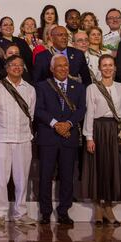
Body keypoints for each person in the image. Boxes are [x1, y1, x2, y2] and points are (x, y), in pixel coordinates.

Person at [35, 54, 86, 225]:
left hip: (69, 137)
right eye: (59, 66)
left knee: (67, 176)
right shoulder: (42, 86)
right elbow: (38, 110)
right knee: (45, 176)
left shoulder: (78, 87)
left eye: (66, 65)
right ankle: (45, 212)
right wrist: (55, 124)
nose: (63, 68)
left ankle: (64, 211)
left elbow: (81, 110)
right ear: (52, 69)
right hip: (48, 137)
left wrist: (68, 124)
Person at [0, 55, 36, 226]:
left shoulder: (30, 89)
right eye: (13, 65)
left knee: (22, 179)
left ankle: (20, 213)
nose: (17, 68)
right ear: (7, 68)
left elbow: (31, 114)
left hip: (23, 138)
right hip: (2, 138)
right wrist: (3, 129)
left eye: (20, 65)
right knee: (0, 178)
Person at [81, 54, 121, 225]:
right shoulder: (92, 88)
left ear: (115, 68)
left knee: (111, 167)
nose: (108, 68)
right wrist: (89, 137)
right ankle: (98, 208)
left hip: (114, 130)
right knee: (97, 167)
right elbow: (90, 113)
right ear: (99, 68)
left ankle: (108, 206)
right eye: (104, 65)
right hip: (98, 129)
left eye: (110, 65)